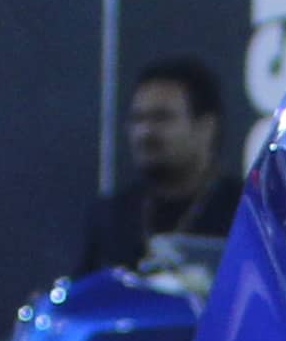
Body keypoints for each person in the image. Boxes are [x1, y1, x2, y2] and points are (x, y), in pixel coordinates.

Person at [64, 54, 239, 280]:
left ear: (206, 127)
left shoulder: (244, 212)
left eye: (161, 118)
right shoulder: (111, 217)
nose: (145, 132)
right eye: (138, 119)